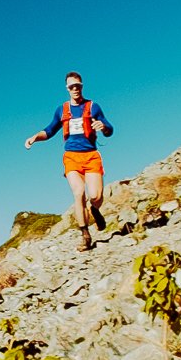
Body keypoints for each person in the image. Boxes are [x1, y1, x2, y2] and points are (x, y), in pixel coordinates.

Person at [24, 72, 113, 251]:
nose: (75, 89)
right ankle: (85, 235)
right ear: (67, 89)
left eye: (78, 86)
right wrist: (34, 137)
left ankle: (95, 210)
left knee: (95, 196)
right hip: (71, 156)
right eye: (71, 86)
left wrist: (103, 127)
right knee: (79, 192)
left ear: (82, 86)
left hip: (91, 155)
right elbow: (49, 131)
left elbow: (109, 129)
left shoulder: (93, 107)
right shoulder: (62, 110)